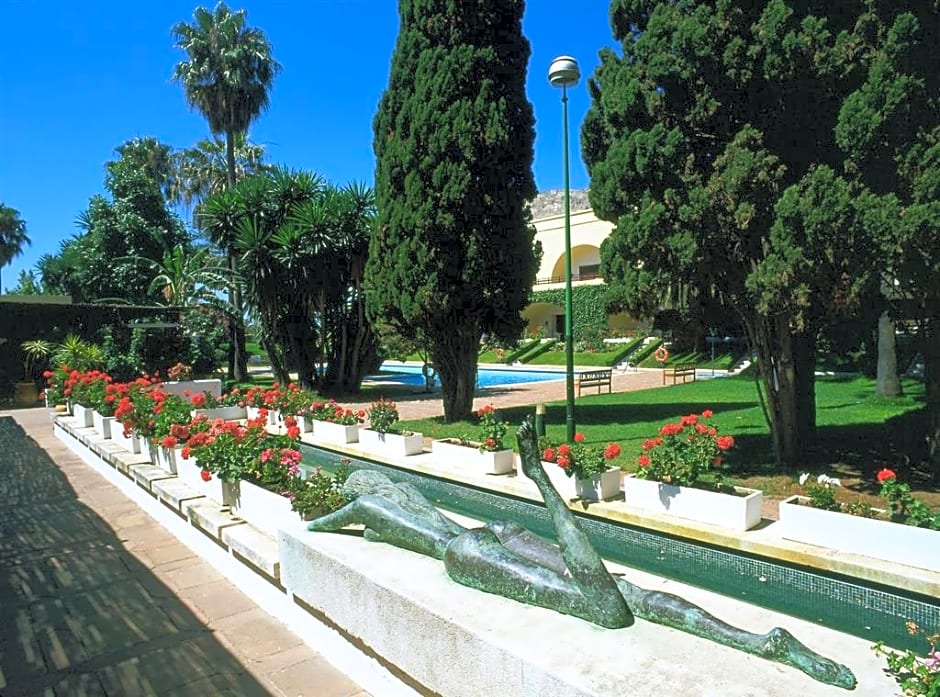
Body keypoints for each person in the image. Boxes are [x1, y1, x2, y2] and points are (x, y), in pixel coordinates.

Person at [308, 417, 856, 690]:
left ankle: (762, 643)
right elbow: (371, 514)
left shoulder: (384, 510)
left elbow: (360, 515)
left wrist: (322, 518)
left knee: (608, 604)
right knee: (625, 598)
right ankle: (757, 641)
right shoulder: (406, 504)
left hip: (468, 549)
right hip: (482, 535)